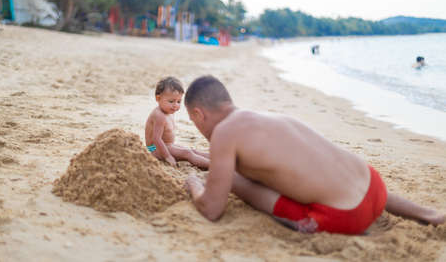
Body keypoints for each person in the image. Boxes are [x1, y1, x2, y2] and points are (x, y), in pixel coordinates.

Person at [184, 75, 445, 234]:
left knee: (237, 182)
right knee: (329, 173)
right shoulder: (264, 119)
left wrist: (196, 185)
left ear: (198, 113)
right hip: (375, 187)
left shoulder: (224, 133)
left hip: (345, 216)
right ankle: (428, 214)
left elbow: (212, 209)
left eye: (195, 123)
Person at [145, 76, 210, 168]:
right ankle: (215, 166)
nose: (175, 105)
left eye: (179, 101)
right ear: (158, 98)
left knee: (191, 150)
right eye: (171, 101)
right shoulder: (159, 116)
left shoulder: (169, 111)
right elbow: (156, 139)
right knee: (187, 153)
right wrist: (168, 156)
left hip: (167, 145)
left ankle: (218, 159)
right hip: (154, 149)